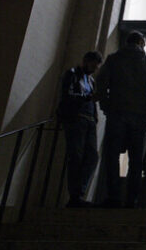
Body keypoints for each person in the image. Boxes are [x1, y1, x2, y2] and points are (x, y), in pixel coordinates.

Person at [95, 30, 146, 208]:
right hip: (139, 116)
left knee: (112, 155)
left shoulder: (113, 59)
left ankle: (113, 196)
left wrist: (105, 105)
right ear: (140, 42)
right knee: (136, 160)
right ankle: (131, 199)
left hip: (116, 112)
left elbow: (100, 83)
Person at [57, 50, 103, 207]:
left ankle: (78, 193)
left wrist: (94, 117)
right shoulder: (72, 75)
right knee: (76, 157)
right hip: (76, 119)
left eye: (96, 66)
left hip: (88, 121)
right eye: (93, 65)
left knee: (92, 157)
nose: (94, 69)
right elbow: (68, 96)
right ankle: (75, 195)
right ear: (85, 61)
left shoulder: (90, 80)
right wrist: (88, 98)